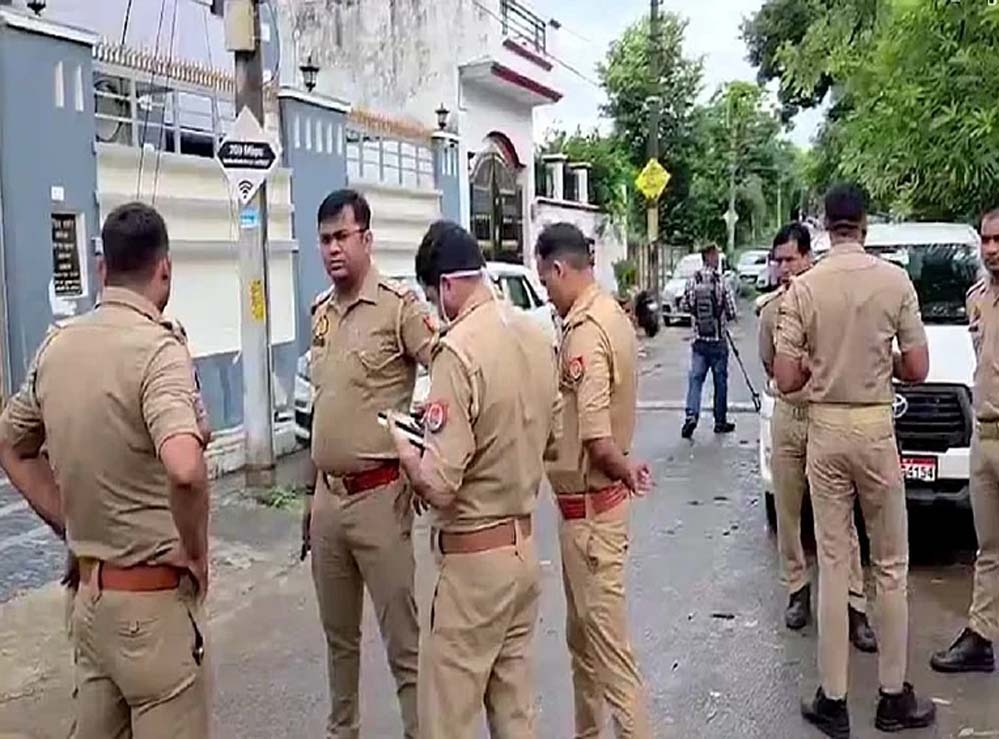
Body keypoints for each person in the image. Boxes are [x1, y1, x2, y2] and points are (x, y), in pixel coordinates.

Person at [0, 202, 212, 737]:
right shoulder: (159, 350)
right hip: (153, 606)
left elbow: (11, 444)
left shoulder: (56, 348)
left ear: (102, 270)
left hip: (90, 605)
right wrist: (195, 550)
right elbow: (185, 468)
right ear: (165, 269)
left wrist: (68, 521)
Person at [390, 222, 562, 739]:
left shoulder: (457, 350)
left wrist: (406, 450)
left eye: (432, 297)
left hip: (472, 560)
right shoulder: (536, 336)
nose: (435, 310)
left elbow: (440, 485)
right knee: (514, 712)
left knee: (448, 719)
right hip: (522, 550)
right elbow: (553, 440)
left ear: (445, 286)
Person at [775, 183, 934, 737]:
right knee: (889, 563)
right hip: (875, 427)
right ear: (864, 225)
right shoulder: (894, 282)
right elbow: (917, 368)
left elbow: (786, 377)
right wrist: (882, 360)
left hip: (825, 429)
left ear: (825, 226)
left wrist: (821, 365)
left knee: (834, 561)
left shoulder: (805, 287)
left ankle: (834, 700)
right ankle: (893, 695)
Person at [303, 189, 437, 739]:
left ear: (367, 239)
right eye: (324, 240)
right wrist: (310, 498)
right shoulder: (320, 313)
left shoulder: (398, 307)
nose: (333, 249)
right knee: (339, 642)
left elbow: (448, 368)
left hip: (381, 498)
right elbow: (322, 409)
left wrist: (428, 449)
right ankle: (343, 731)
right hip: (328, 501)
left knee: (403, 642)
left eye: (342, 237)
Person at [535, 222, 653, 739]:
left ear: (560, 269)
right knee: (584, 646)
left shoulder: (585, 329)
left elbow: (597, 437)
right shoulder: (611, 314)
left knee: (609, 658)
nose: (545, 293)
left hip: (591, 517)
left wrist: (624, 469)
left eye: (545, 280)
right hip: (588, 514)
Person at [756, 223, 877, 651]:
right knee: (787, 512)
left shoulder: (831, 301)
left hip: (827, 417)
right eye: (778, 261)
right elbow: (770, 364)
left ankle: (855, 604)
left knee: (840, 517)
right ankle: (797, 589)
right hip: (789, 416)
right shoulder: (771, 311)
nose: (785, 268)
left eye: (791, 259)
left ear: (809, 257)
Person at [930, 208, 999, 674]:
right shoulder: (977, 299)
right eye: (986, 241)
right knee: (989, 547)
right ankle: (981, 635)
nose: (991, 249)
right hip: (985, 435)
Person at [681, 243, 738, 439]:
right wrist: (721, 317)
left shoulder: (693, 280)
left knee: (696, 380)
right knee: (720, 382)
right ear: (713, 258)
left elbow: (685, 305)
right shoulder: (721, 281)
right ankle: (720, 421)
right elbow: (731, 311)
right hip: (718, 342)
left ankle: (691, 415)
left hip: (699, 342)